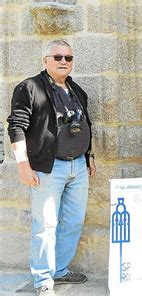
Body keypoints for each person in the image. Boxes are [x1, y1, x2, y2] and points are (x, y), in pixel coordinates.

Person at [7, 40, 97, 296]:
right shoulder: (30, 87)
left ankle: (59, 269)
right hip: (48, 167)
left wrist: (89, 155)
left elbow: (85, 123)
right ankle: (43, 280)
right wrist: (23, 165)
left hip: (78, 166)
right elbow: (16, 126)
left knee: (73, 221)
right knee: (45, 225)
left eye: (68, 57)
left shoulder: (76, 90)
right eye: (57, 57)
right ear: (45, 60)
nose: (63, 62)